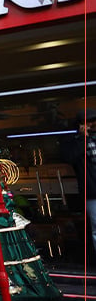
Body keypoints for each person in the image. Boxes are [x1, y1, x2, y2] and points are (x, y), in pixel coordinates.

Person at [61, 110, 96, 257]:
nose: (91, 124)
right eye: (87, 122)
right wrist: (83, 139)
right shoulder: (75, 141)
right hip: (92, 191)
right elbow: (69, 157)